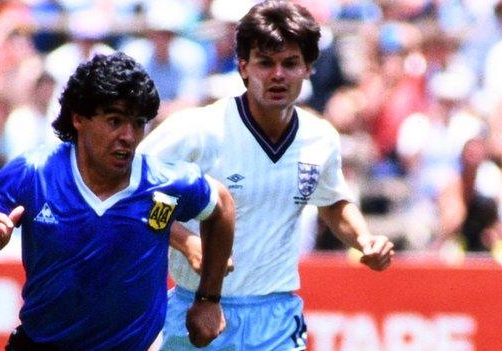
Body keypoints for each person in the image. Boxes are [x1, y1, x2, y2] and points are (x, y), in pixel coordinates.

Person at [137, 1, 395, 350]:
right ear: (243, 67)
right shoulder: (197, 130)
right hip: (197, 308)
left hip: (275, 316)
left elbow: (333, 201)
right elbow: (135, 191)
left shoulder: (320, 138)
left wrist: (364, 239)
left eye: (290, 63)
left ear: (308, 69)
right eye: (265, 63)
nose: (277, 75)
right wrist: (187, 243)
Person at [0, 52, 235, 350]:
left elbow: (222, 205)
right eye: (114, 121)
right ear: (79, 118)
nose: (128, 136)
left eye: (137, 124)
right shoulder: (34, 172)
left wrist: (209, 299)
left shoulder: (167, 182)